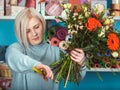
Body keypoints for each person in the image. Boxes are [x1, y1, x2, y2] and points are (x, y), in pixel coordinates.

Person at [5, 8, 86, 90]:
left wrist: (81, 64)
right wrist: (36, 66)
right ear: (21, 33)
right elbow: (14, 58)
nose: (34, 33)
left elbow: (75, 78)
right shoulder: (15, 49)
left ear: (43, 24)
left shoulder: (57, 52)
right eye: (27, 31)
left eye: (36, 27)